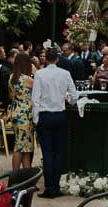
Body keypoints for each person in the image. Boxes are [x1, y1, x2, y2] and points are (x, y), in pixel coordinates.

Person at [31, 47, 78, 198]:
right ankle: (55, 186)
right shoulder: (65, 74)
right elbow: (74, 95)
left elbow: (35, 99)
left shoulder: (39, 74)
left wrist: (35, 119)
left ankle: (49, 186)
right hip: (60, 115)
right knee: (59, 152)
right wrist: (67, 99)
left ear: (45, 59)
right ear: (57, 59)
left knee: (47, 152)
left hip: (45, 116)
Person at [7, 51, 36, 171]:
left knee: (25, 147)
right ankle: (15, 175)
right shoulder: (27, 79)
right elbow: (39, 90)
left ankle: (26, 175)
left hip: (15, 111)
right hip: (25, 115)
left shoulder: (11, 77)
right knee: (20, 147)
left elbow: (10, 96)